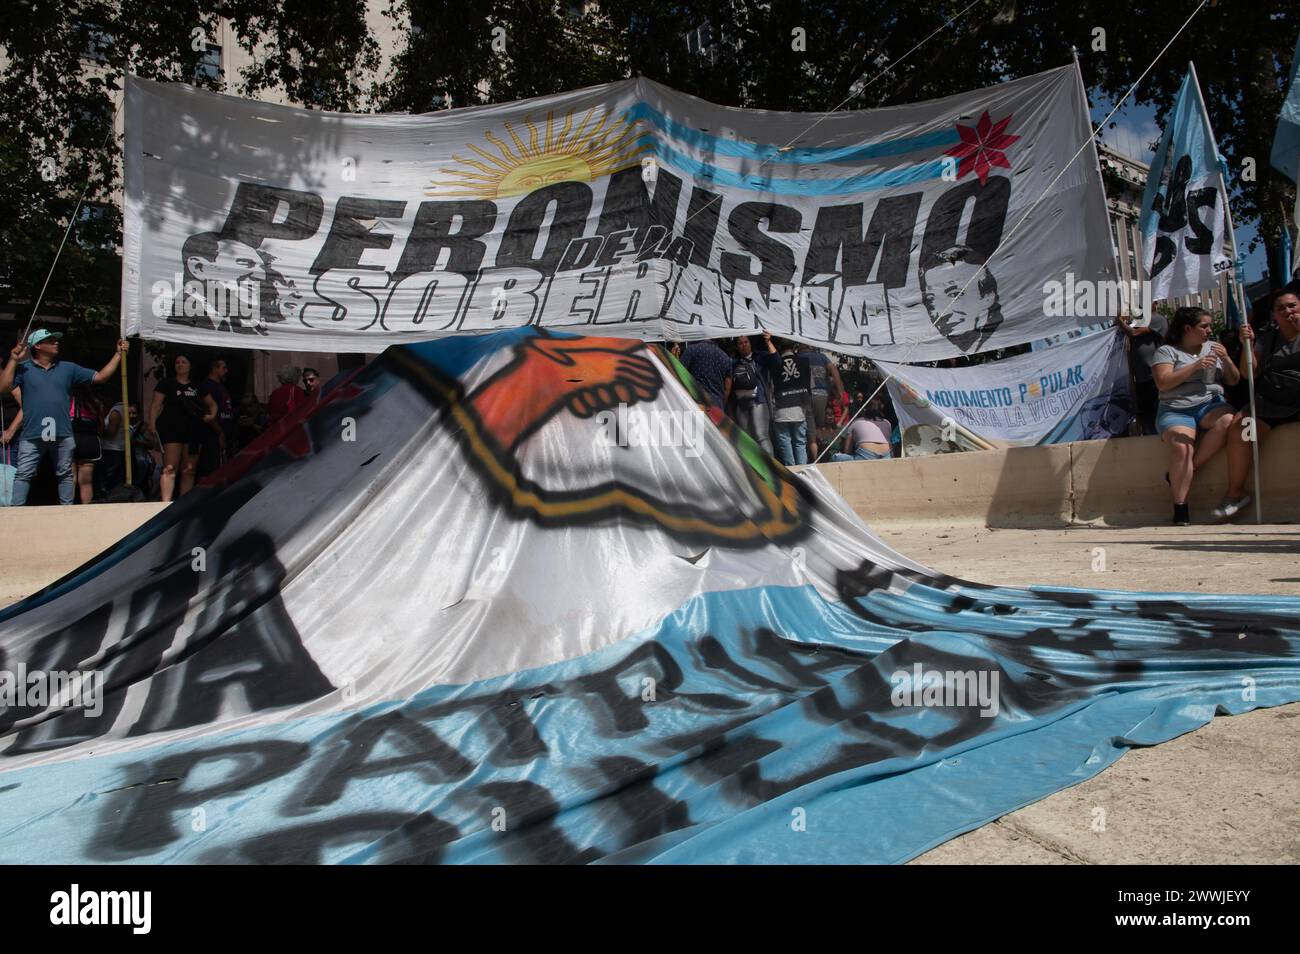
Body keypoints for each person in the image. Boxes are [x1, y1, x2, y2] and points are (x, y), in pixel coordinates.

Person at [0, 330, 126, 506]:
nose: (56, 343)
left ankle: (66, 510)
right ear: (37, 345)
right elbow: (3, 388)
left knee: (65, 474)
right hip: (31, 433)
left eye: (55, 340)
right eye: (51, 340)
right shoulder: (24, 368)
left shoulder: (68, 368)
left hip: (63, 432)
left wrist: (118, 355)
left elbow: (101, 377)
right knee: (23, 473)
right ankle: (15, 511)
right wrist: (13, 359)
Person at [1150, 306, 1240, 526]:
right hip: (1176, 409)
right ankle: (1180, 508)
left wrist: (1226, 359)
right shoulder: (1166, 351)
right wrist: (1195, 366)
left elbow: (1234, 380)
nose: (1209, 330)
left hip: (1210, 404)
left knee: (1229, 420)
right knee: (1182, 447)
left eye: (1209, 325)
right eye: (1204, 326)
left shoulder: (1213, 348)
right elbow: (1163, 382)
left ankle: (1186, 471)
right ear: (1187, 328)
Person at [1218, 288, 1300, 521]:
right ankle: (1235, 494)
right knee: (1241, 427)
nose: (1287, 311)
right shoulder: (1267, 339)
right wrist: (1248, 346)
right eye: (1281, 308)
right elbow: (1248, 373)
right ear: (1274, 314)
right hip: (1273, 403)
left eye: (1292, 305)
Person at [148, 354, 218, 502]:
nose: (180, 364)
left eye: (183, 362)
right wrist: (152, 423)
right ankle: (165, 502)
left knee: (189, 470)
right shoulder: (166, 384)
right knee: (170, 468)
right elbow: (155, 405)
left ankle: (184, 503)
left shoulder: (198, 386)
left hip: (193, 430)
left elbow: (212, 405)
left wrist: (210, 416)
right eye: (177, 362)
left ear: (190, 366)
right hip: (171, 429)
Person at [765, 335, 811, 465]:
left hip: (781, 408)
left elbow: (770, 387)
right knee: (800, 442)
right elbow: (808, 387)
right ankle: (802, 472)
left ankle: (791, 472)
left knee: (785, 441)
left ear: (779, 348)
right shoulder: (804, 362)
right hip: (799, 408)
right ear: (794, 347)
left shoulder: (774, 363)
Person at [1120, 311, 1167, 435]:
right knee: (1145, 414)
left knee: (1156, 411)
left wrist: (1119, 321)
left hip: (1154, 377)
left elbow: (1133, 333)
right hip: (1141, 379)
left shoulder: (1156, 319)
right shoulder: (1136, 321)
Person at [728, 335, 774, 455]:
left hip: (757, 402)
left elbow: (777, 361)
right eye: (740, 343)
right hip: (740, 405)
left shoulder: (760, 357)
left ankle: (770, 467)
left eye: (746, 342)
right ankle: (753, 469)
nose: (744, 345)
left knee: (761, 436)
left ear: (750, 343)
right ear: (737, 347)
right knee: (747, 439)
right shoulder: (733, 362)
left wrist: (768, 341)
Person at [800, 343, 844, 460]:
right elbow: (834, 370)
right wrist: (840, 391)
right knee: (818, 427)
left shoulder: (799, 357)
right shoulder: (822, 357)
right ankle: (820, 457)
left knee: (806, 427)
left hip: (805, 395)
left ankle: (809, 457)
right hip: (821, 394)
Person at [198, 357, 237, 477]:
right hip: (212, 434)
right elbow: (208, 410)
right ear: (215, 368)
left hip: (227, 431)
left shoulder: (221, 386)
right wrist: (219, 432)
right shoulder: (207, 385)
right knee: (213, 469)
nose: (226, 371)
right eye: (223, 368)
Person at [69, 384, 103, 504]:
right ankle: (87, 509)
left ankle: (67, 509)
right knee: (86, 482)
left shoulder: (66, 402)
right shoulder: (95, 403)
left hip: (70, 441)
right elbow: (101, 427)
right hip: (90, 442)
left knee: (70, 479)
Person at [680, 339, 733, 408]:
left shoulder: (691, 350)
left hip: (696, 401)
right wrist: (722, 403)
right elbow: (727, 388)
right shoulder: (725, 357)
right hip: (716, 403)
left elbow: (679, 372)